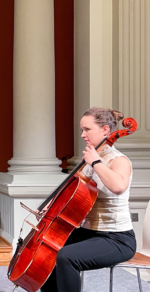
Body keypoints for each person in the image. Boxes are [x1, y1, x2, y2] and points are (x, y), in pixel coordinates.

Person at [41, 107, 136, 292]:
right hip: (90, 232)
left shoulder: (118, 160)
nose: (83, 135)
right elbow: (73, 197)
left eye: (87, 129)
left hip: (117, 238)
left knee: (66, 256)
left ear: (105, 130)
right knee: (49, 250)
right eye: (81, 130)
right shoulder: (89, 160)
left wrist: (96, 162)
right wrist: (52, 208)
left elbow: (118, 187)